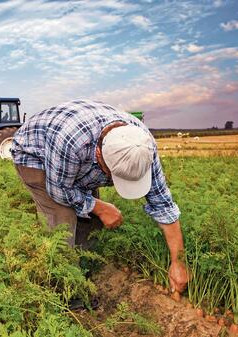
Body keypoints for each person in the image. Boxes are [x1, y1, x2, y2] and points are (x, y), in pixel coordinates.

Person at [11, 99, 188, 294]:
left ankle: (84, 272)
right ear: (99, 155)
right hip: (36, 156)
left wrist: (178, 262)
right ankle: (64, 290)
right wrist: (101, 207)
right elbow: (59, 190)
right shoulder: (72, 142)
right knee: (62, 223)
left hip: (76, 158)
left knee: (90, 220)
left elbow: (163, 205)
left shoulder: (142, 146)